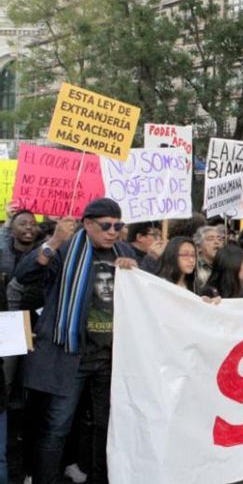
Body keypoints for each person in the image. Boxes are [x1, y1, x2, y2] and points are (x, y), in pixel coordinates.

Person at [15, 198, 137, 484]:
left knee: (107, 427)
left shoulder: (125, 251)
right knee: (57, 426)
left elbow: (150, 291)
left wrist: (136, 270)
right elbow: (25, 274)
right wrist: (54, 241)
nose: (113, 231)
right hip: (69, 354)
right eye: (106, 226)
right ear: (88, 223)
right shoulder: (65, 248)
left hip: (110, 355)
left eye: (117, 225)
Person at [193, 225, 223, 292]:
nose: (217, 242)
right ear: (198, 247)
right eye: (210, 239)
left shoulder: (227, 265)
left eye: (220, 239)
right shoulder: (193, 267)